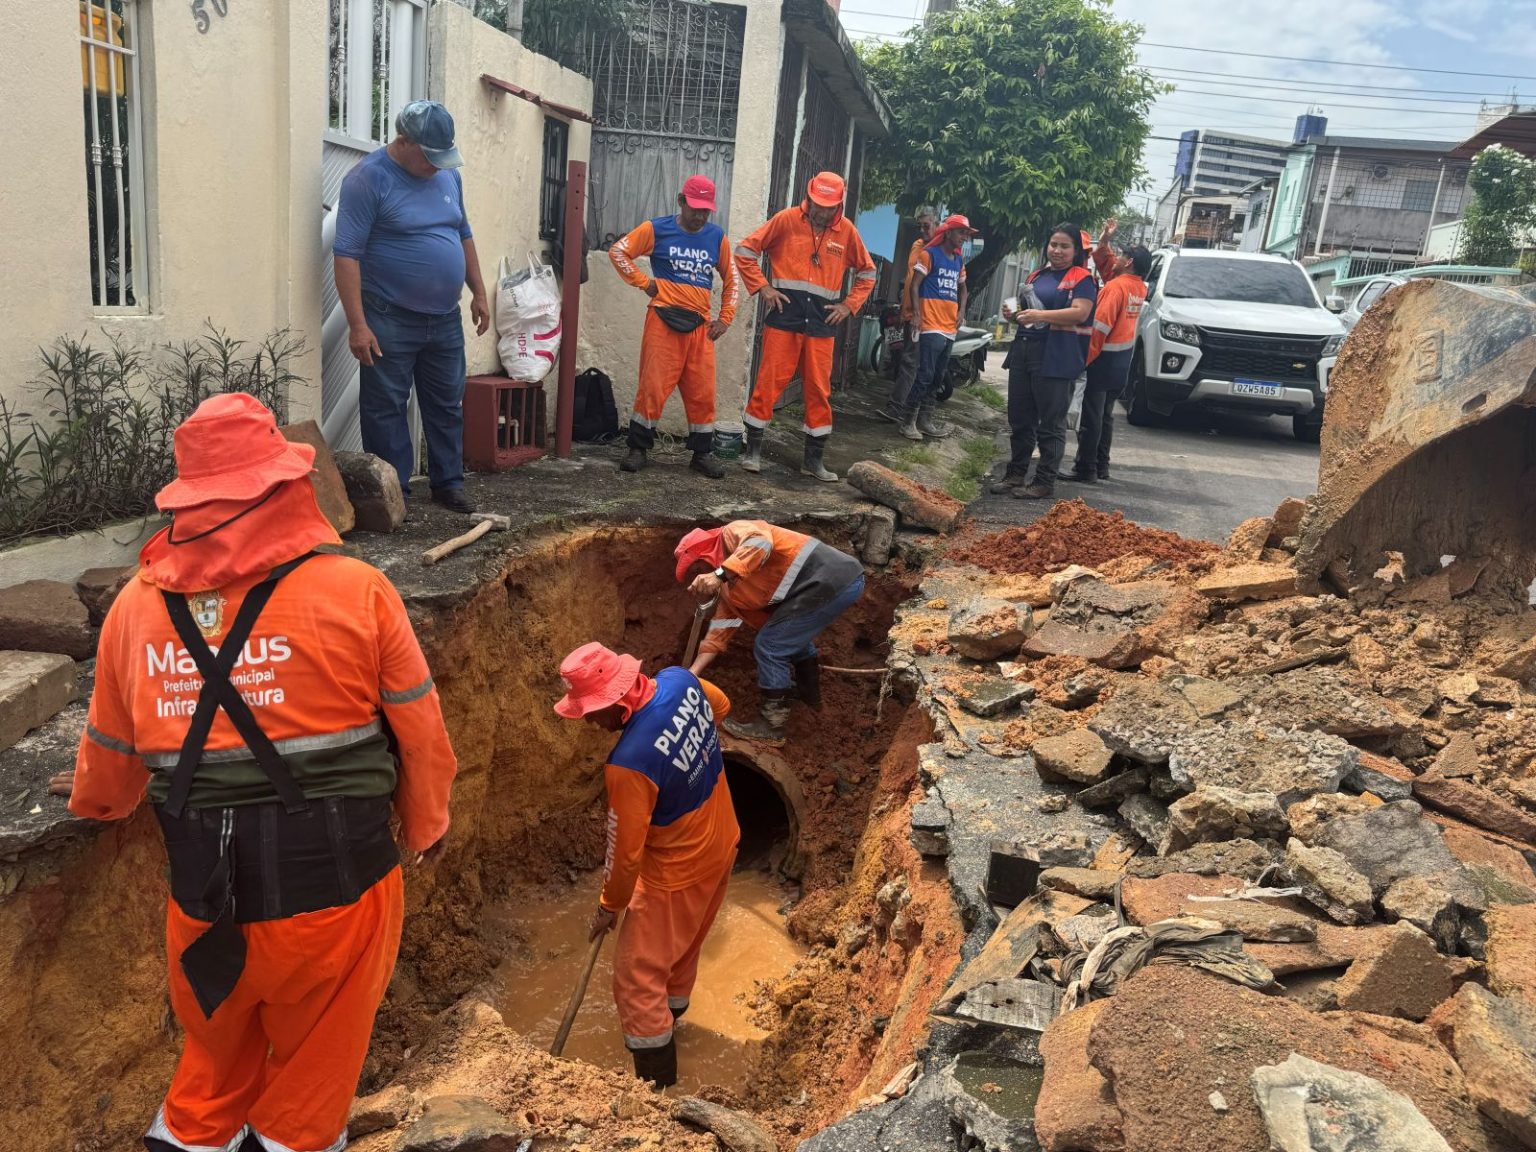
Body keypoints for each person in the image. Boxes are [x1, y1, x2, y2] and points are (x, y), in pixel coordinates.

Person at [57, 393, 458, 1152]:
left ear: (186, 503)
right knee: (310, 1082)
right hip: (337, 899)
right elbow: (422, 734)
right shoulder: (356, 591)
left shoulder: (133, 612)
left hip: (202, 910)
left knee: (213, 1063)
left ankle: (190, 1138)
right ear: (283, 484)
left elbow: (107, 773)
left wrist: (98, 800)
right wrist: (426, 822)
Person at [554, 642, 739, 1089]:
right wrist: (686, 755)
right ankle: (673, 1024)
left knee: (637, 981)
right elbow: (721, 708)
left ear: (617, 703)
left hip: (676, 873)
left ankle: (658, 1093)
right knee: (681, 953)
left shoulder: (629, 764)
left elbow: (625, 854)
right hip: (723, 839)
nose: (590, 723)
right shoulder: (680, 679)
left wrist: (609, 906)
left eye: (591, 712)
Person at [335, 99, 489, 515]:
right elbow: (347, 255)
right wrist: (357, 325)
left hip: (445, 318)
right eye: (430, 157)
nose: (437, 166)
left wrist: (478, 291)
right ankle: (394, 494)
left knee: (446, 404)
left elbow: (463, 233)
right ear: (403, 141)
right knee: (386, 408)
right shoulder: (367, 180)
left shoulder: (448, 176)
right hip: (389, 316)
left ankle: (448, 484)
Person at [734, 172, 877, 482]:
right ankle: (753, 452)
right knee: (768, 383)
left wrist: (848, 305)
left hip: (822, 323)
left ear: (838, 205)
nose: (820, 211)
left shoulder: (847, 232)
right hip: (785, 316)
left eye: (828, 207)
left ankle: (813, 461)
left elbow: (868, 273)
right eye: (816, 204)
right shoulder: (786, 220)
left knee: (818, 391)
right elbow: (745, 251)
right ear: (808, 197)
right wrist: (763, 288)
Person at [672, 521, 864, 744]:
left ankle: (772, 727)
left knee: (770, 645)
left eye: (697, 567)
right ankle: (809, 697)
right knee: (786, 636)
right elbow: (718, 634)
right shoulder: (730, 590)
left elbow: (761, 542)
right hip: (817, 587)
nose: (698, 577)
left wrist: (719, 574)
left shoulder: (732, 533)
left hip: (831, 577)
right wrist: (692, 673)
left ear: (705, 552)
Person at [609, 175, 739, 478]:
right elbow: (618, 252)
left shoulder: (717, 237)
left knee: (702, 392)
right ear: (681, 201)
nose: (700, 216)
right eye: (695, 209)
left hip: (700, 328)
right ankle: (638, 449)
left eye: (705, 211)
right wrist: (644, 283)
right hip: (662, 321)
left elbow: (732, 280)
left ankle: (701, 454)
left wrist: (725, 318)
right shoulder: (656, 229)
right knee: (652, 388)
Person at [991, 224, 1099, 500]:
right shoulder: (1037, 275)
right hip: (1024, 350)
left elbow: (1080, 312)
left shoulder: (1082, 279)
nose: (1057, 250)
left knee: (1051, 423)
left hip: (1057, 356)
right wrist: (1012, 312)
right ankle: (1015, 474)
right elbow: (1025, 309)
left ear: (1075, 251)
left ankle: (1044, 481)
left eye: (1064, 246)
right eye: (1053, 244)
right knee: (1020, 418)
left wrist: (1041, 316)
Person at [1067, 244, 1151, 484]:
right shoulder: (1137, 286)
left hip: (1102, 359)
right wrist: (1103, 243)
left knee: (1092, 417)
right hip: (1121, 361)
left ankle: (1085, 468)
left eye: (1121, 255)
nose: (1116, 258)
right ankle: (1101, 465)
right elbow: (1110, 269)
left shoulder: (1115, 288)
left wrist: (1082, 361)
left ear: (1129, 261)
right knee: (1104, 415)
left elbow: (1099, 329)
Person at [896, 213, 978, 442]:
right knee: (925, 374)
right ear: (948, 232)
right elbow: (914, 285)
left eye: (967, 234)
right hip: (930, 324)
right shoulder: (929, 254)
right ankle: (907, 421)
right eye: (961, 232)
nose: (964, 237)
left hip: (949, 326)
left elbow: (963, 289)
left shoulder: (958, 260)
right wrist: (917, 314)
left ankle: (925, 420)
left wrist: (961, 311)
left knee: (938, 376)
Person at [877, 207, 938, 424]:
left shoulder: (939, 251)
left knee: (913, 364)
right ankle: (902, 409)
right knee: (908, 361)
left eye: (927, 226)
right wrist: (904, 311)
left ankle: (902, 410)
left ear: (937, 224)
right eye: (920, 226)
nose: (923, 231)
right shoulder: (917, 246)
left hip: (925, 318)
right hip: (910, 314)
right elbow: (910, 279)